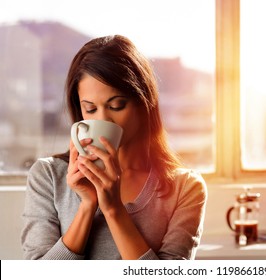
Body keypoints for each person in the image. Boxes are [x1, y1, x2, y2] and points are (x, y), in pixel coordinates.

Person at [21, 35, 208, 260]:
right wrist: (87, 206)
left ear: (143, 103)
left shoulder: (185, 187)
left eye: (117, 105)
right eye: (90, 109)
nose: (103, 120)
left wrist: (113, 210)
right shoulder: (48, 176)